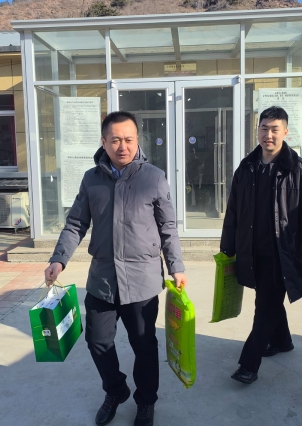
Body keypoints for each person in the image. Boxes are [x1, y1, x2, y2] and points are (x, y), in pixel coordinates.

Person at [44, 111, 187, 426]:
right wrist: (58, 259)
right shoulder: (91, 179)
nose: (123, 146)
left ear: (137, 140)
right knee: (97, 341)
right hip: (103, 280)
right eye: (116, 140)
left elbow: (168, 227)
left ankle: (146, 402)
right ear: (104, 142)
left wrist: (176, 266)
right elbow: (76, 223)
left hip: (142, 281)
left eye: (129, 139)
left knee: (144, 346)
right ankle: (116, 390)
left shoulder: (154, 177)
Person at [220, 106, 302, 384]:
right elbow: (233, 212)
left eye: (274, 129)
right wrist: (228, 248)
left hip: (283, 255)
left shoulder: (299, 172)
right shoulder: (246, 167)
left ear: (285, 132)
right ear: (257, 130)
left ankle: (249, 365)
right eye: (264, 128)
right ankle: (282, 340)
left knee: (265, 307)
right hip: (252, 252)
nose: (268, 135)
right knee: (268, 301)